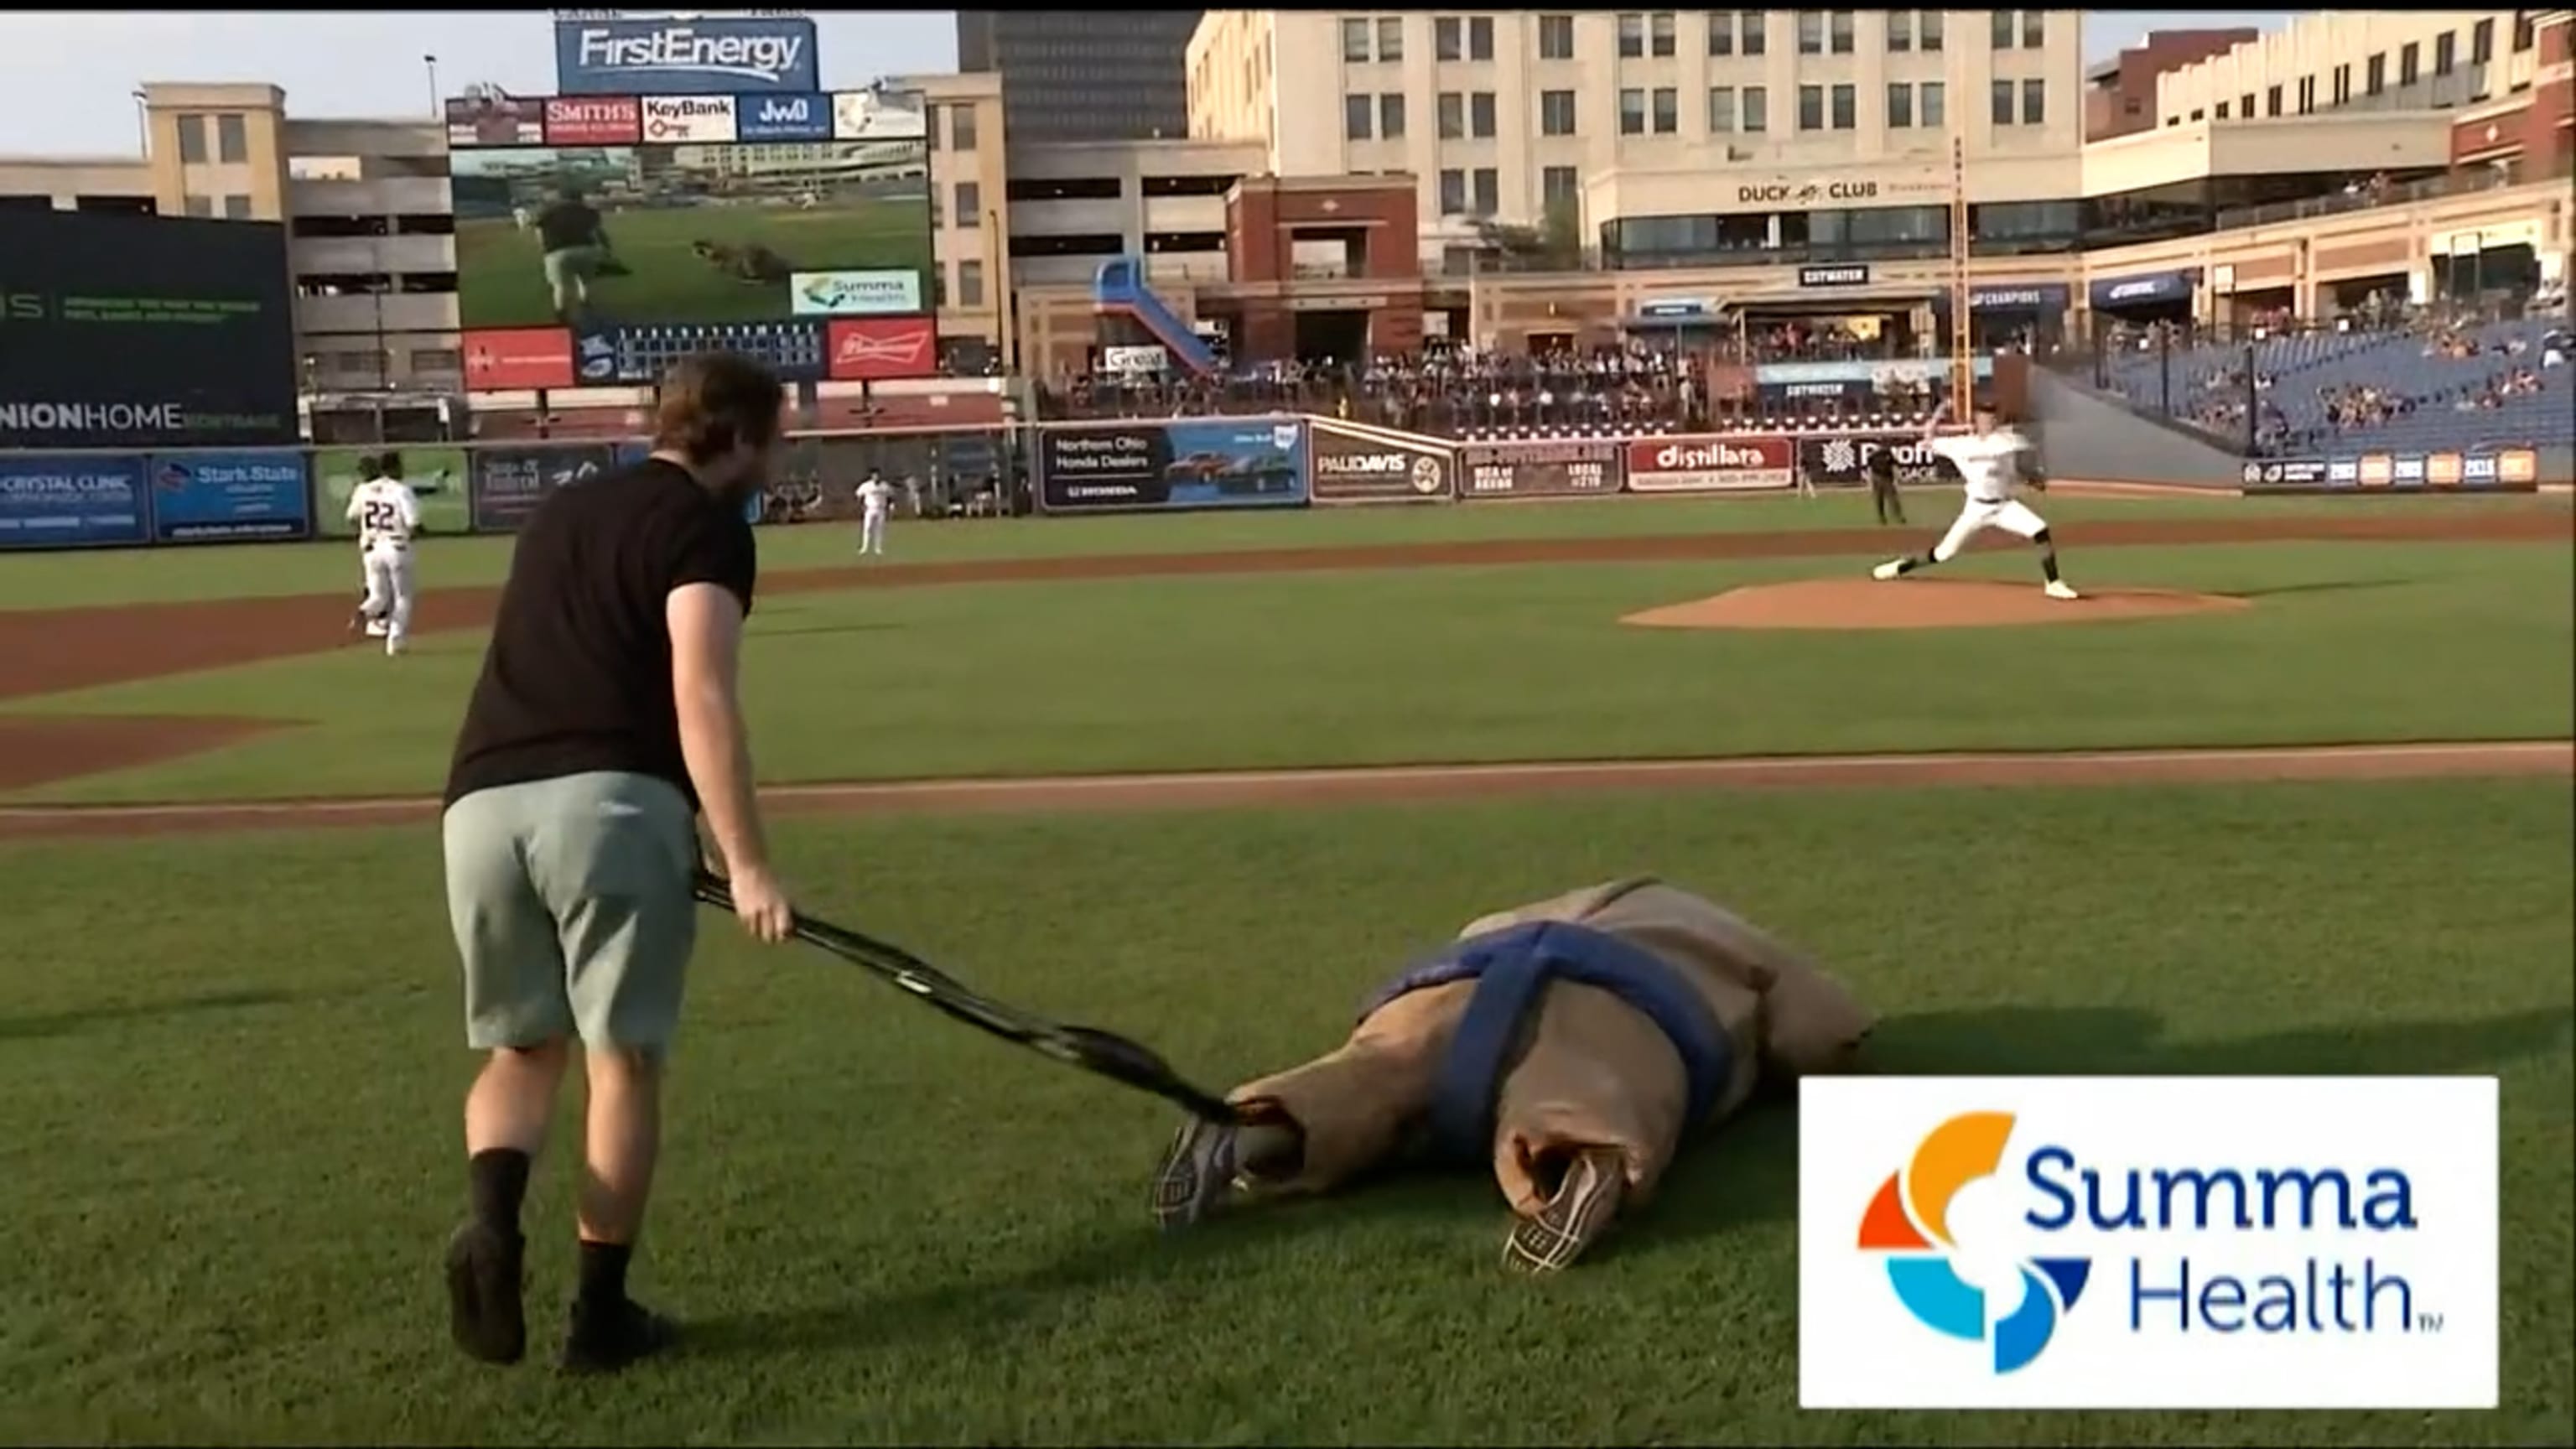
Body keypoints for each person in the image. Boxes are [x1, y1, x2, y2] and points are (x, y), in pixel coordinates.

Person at [438, 351, 797, 1375]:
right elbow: (704, 695)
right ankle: (600, 1321)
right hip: (608, 803)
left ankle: (493, 1224)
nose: (779, 458)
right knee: (622, 1059)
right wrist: (750, 862)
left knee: (519, 1052)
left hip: (479, 804)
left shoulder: (560, 512)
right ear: (733, 438)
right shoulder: (707, 529)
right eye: (774, 439)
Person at [1151, 878, 1875, 1273]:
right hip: (1633, 995)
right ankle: (1575, 1157)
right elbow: (1822, 1032)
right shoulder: (1724, 933)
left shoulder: (1522, 905)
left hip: (1457, 974)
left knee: (1374, 1069)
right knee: (1588, 1085)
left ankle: (1259, 1125)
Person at [1870, 397, 2077, 600]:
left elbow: (2020, 465)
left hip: (2004, 506)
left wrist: (2032, 479)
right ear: (1977, 420)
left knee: (2040, 530)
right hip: (1976, 509)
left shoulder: (2007, 441)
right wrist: (1939, 413)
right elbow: (1928, 440)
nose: (1989, 420)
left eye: (1992, 416)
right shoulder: (1961, 444)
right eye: (1985, 416)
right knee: (1943, 553)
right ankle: (1898, 567)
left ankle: (2054, 583)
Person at [345, 450, 423, 657]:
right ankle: (395, 642)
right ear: (396, 467)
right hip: (397, 548)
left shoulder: (365, 489)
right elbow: (413, 524)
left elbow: (352, 517)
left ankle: (364, 612)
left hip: (372, 549)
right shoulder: (401, 490)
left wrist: (366, 535)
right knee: (403, 597)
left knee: (378, 596)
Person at [535, 183, 614, 327]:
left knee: (560, 286)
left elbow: (539, 231)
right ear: (580, 198)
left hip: (558, 252)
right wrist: (606, 247)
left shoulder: (549, 212)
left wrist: (544, 250)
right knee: (586, 282)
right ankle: (586, 307)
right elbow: (598, 232)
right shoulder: (589, 212)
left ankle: (561, 315)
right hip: (586, 249)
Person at [1866, 439, 1906, 527]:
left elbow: (1894, 466)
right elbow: (1869, 469)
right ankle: (1882, 518)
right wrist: (1870, 483)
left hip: (1887, 478)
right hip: (1877, 478)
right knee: (1879, 500)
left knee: (1893, 499)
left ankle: (1899, 517)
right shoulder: (1874, 455)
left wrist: (1897, 478)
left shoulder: (1889, 454)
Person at [855, 468, 892, 557]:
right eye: (874, 475)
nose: (876, 477)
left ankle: (878, 548)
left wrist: (890, 505)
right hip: (869, 509)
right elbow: (858, 495)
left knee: (879, 529)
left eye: (878, 475)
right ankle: (864, 548)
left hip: (881, 509)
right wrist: (861, 506)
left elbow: (890, 496)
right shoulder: (866, 485)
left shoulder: (885, 486)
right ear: (872, 476)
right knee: (867, 528)